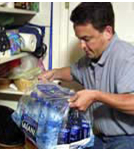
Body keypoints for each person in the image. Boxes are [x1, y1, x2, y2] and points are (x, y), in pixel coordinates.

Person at [38, 2, 134, 149]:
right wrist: (54, 73)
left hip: (128, 139)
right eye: (79, 39)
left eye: (86, 39)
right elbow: (73, 71)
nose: (82, 46)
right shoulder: (91, 57)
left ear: (107, 32)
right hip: (98, 137)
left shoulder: (127, 56)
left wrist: (96, 95)